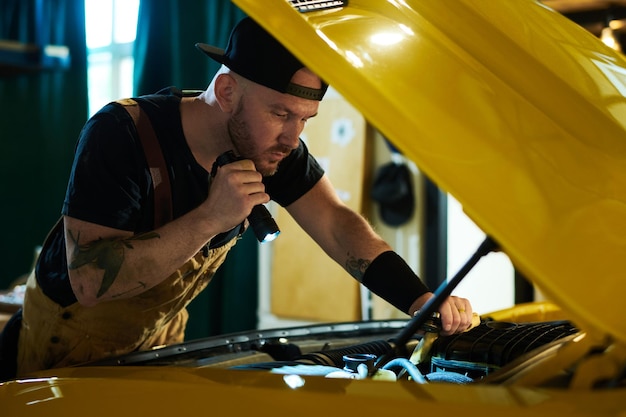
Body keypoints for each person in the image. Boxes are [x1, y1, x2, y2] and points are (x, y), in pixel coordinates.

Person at [11, 16, 474, 376]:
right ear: (228, 90)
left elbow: (335, 222)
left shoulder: (272, 149)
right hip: (65, 339)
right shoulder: (121, 134)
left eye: (305, 119)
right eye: (280, 113)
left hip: (158, 336)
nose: (293, 138)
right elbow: (88, 283)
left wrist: (420, 298)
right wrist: (211, 218)